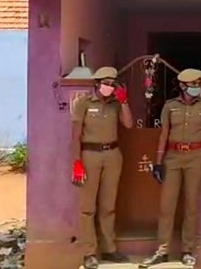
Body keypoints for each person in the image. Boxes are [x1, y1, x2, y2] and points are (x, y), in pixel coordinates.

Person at [140, 68, 201, 268]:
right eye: (193, 85)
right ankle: (162, 250)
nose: (196, 89)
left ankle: (187, 250)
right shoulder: (170, 107)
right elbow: (164, 134)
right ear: (183, 86)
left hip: (196, 156)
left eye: (198, 85)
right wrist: (158, 162)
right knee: (167, 205)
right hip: (173, 157)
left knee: (191, 206)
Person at [71, 66, 134, 269]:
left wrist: (124, 101)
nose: (109, 87)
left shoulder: (116, 104)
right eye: (106, 83)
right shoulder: (84, 103)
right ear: (97, 84)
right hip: (90, 155)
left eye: (112, 84)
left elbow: (129, 125)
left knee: (108, 205)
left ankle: (109, 248)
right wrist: (77, 162)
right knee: (88, 207)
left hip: (112, 155)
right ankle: (89, 252)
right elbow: (76, 135)